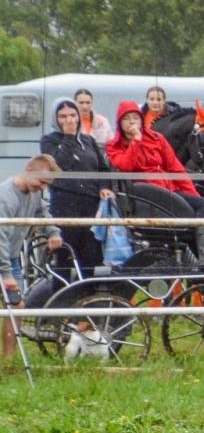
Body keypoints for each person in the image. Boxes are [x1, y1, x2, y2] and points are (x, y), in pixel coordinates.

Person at [105, 101, 204, 269]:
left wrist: (192, 195)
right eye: (126, 119)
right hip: (147, 197)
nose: (132, 122)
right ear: (120, 123)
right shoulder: (114, 147)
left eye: (135, 118)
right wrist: (136, 141)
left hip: (168, 191)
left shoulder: (157, 139)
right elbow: (127, 164)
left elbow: (175, 168)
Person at [41, 97, 117, 273]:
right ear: (55, 119)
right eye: (63, 116)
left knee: (90, 257)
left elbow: (103, 168)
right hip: (65, 205)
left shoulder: (88, 140)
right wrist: (68, 137)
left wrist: (104, 187)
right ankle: (62, 289)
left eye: (73, 115)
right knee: (65, 257)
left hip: (91, 204)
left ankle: (88, 289)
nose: (69, 120)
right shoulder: (49, 140)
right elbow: (58, 166)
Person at [1, 156, 63, 294]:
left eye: (47, 184)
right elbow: (1, 236)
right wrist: (6, 275)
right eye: (41, 181)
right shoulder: (6, 197)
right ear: (29, 171)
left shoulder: (34, 193)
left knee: (17, 304)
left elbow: (42, 213)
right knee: (13, 302)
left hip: (11, 258)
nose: (43, 187)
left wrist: (53, 232)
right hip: (4, 261)